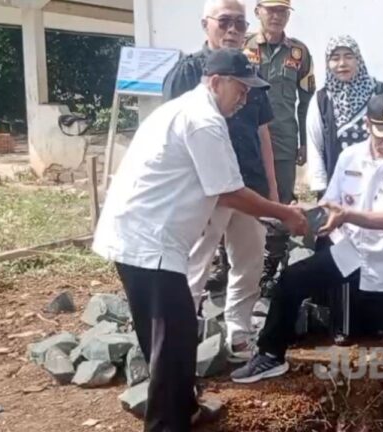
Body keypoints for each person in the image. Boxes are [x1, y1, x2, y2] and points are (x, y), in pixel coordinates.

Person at [92, 48, 308, 431]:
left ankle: (186, 408)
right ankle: (166, 424)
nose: (245, 98)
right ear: (215, 82)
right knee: (174, 343)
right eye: (240, 89)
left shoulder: (181, 110)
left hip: (133, 237)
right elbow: (229, 192)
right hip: (151, 245)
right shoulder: (205, 120)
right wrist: (285, 213)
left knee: (165, 339)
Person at [231, 93, 383, 432]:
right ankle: (270, 354)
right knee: (291, 282)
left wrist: (344, 216)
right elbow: (332, 203)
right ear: (367, 126)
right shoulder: (349, 157)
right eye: (382, 133)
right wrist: (303, 217)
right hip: (350, 251)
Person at [162, 0, 277, 362]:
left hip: (249, 187)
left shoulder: (251, 72)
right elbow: (172, 132)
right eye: (224, 21)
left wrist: (272, 192)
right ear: (205, 24)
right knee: (194, 265)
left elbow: (264, 134)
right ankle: (182, 347)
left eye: (240, 24)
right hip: (204, 192)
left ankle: (240, 335)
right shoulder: (187, 71)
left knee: (250, 259)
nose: (232, 30)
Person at [305, 34, 383, 343]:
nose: (342, 64)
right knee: (340, 255)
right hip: (336, 191)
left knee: (375, 253)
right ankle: (342, 325)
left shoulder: (378, 92)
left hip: (375, 189)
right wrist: (323, 192)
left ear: (358, 59)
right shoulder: (322, 98)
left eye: (348, 56)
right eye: (335, 58)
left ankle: (376, 321)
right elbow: (314, 146)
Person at [244, 0, 316, 290]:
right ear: (258, 12)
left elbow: (307, 102)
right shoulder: (244, 48)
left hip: (285, 139)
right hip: (248, 138)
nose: (276, 16)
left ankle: (272, 268)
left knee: (281, 201)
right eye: (270, 10)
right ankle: (235, 264)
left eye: (282, 11)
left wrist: (304, 143)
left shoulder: (299, 53)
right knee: (243, 199)